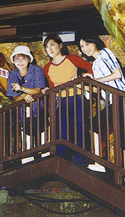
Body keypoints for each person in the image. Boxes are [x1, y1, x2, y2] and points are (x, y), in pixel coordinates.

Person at [42, 34, 93, 163]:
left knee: (79, 128)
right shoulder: (47, 68)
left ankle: (81, 158)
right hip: (60, 101)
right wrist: (46, 90)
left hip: (76, 97)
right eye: (47, 47)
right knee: (61, 130)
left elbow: (91, 68)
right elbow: (51, 86)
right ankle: (62, 158)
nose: (50, 49)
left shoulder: (72, 59)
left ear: (60, 45)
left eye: (52, 44)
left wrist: (84, 78)